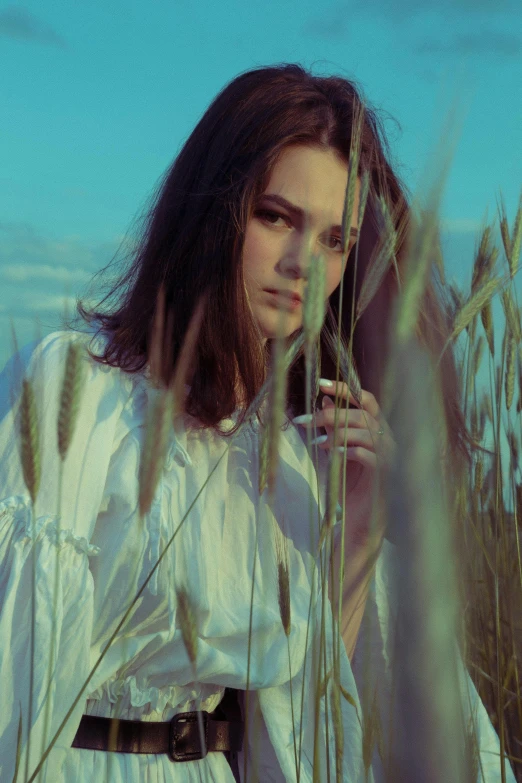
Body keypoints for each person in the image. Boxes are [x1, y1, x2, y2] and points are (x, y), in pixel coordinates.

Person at [0, 63, 515, 783]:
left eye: (337, 239)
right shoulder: (79, 392)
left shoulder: (291, 458)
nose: (305, 262)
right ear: (212, 212)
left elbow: (304, 721)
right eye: (276, 216)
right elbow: (17, 670)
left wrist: (362, 532)